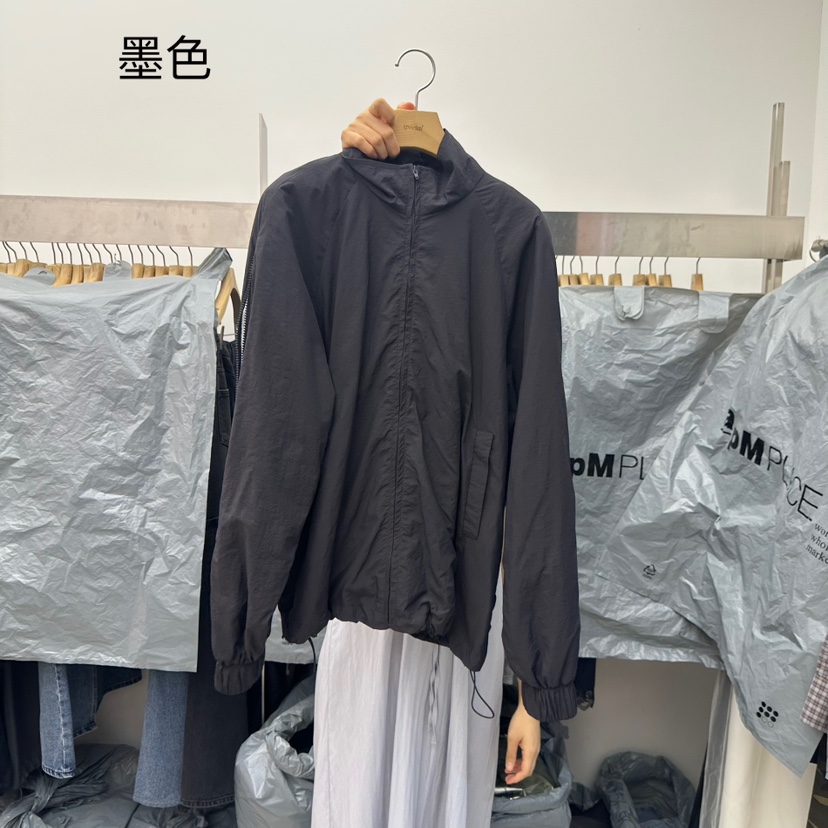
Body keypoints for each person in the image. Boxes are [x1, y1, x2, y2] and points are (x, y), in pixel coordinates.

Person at [309, 98, 542, 828]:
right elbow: (280, 427)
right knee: (354, 799)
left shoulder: (511, 235)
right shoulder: (321, 216)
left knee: (443, 802)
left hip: (463, 611)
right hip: (359, 617)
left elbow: (535, 469)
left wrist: (535, 693)